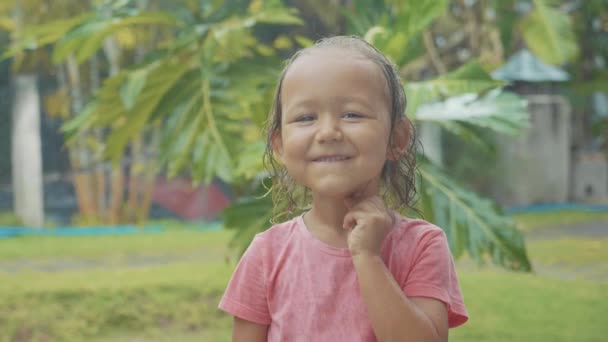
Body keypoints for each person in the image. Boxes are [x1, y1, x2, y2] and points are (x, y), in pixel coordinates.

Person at [218, 35, 468, 341]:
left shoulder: (422, 246)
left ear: (397, 138)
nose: (328, 132)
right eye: (306, 117)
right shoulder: (266, 254)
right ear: (280, 145)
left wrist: (368, 257)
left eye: (352, 114)